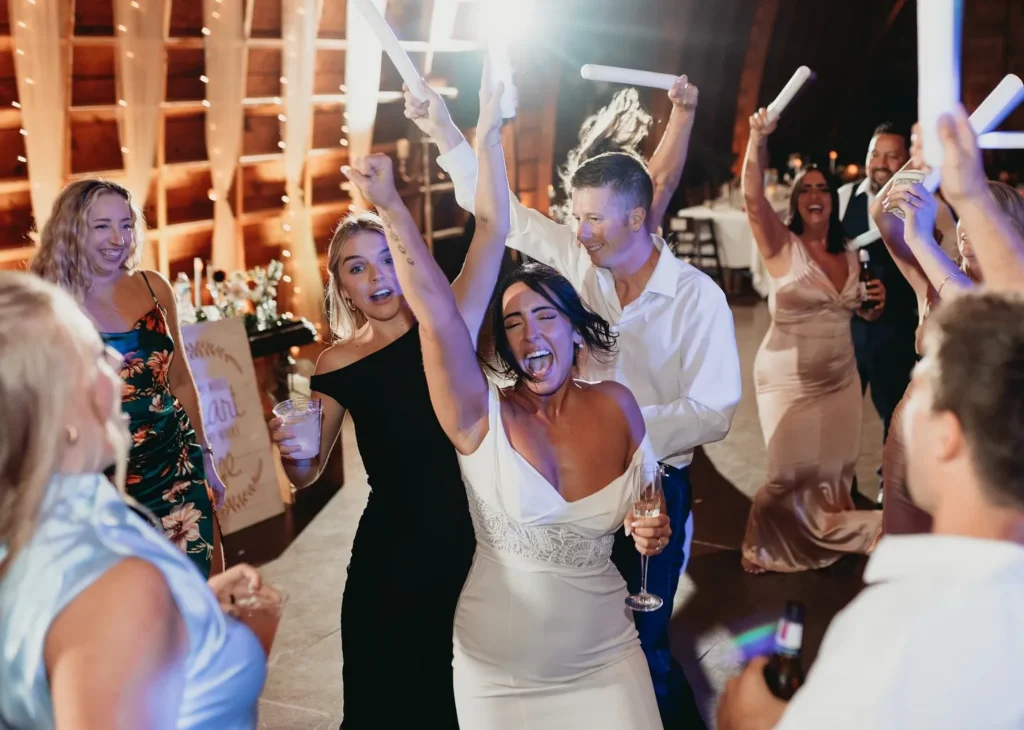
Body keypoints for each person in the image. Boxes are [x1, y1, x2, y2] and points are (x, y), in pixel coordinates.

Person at [407, 73, 738, 730]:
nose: (577, 229)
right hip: (562, 490)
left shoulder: (699, 298)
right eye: (573, 215)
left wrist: (624, 430)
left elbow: (716, 409)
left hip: (650, 492)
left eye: (591, 217)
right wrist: (444, 128)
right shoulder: (574, 256)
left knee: (644, 646)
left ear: (636, 217)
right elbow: (496, 206)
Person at [342, 129, 672, 727]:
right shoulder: (479, 416)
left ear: (576, 330)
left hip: (608, 658)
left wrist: (650, 530)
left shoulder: (620, 405)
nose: (530, 334)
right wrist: (390, 208)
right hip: (500, 675)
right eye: (514, 323)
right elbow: (440, 319)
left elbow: (646, 513)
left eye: (545, 316)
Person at [268, 70, 506, 730]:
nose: (375, 276)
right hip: (390, 552)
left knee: (454, 701)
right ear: (341, 287)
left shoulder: (451, 318)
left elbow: (490, 226)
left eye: (383, 258)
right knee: (378, 697)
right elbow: (310, 470)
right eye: (356, 266)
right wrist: (294, 456)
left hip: (475, 538)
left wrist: (487, 129)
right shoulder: (337, 363)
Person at [717, 291, 1024, 730]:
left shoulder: (897, 628)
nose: (904, 409)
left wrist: (757, 722)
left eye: (918, 388)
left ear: (947, 437)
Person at [0, 271, 267, 730]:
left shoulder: (32, 521)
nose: (120, 360)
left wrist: (193, 610)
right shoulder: (117, 585)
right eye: (93, 352)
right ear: (56, 409)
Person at [30, 180, 226, 577]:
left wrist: (205, 456)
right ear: (72, 229)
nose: (117, 239)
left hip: (177, 461)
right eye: (101, 226)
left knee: (205, 588)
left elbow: (182, 380)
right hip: (103, 477)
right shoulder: (48, 304)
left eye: (126, 224)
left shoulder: (155, 286)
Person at [739, 108, 883, 574]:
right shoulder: (781, 244)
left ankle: (834, 530)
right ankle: (764, 542)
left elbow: (858, 308)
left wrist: (869, 304)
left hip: (841, 378)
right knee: (785, 477)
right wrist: (758, 140)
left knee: (832, 476)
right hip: (786, 379)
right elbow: (752, 196)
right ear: (797, 200)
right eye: (807, 189)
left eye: (823, 188)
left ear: (833, 200)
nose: (815, 195)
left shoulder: (849, 251)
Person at [874, 126, 1024, 535]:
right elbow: (882, 215)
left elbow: (973, 310)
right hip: (913, 427)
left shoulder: (1013, 294)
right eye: (963, 217)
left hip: (981, 442)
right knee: (901, 539)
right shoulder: (934, 277)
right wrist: (922, 161)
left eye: (982, 217)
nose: (964, 228)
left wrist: (922, 239)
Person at [837, 124, 922, 455]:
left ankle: (890, 483)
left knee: (897, 414)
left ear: (906, 163)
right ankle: (841, 484)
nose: (881, 163)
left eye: (892, 156)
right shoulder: (842, 199)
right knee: (842, 413)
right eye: (875, 154)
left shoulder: (919, 203)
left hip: (897, 328)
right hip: (848, 328)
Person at [554, 79, 699, 232]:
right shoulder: (574, 243)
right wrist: (683, 111)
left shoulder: (630, 224)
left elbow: (660, 183)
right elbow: (660, 184)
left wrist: (684, 111)